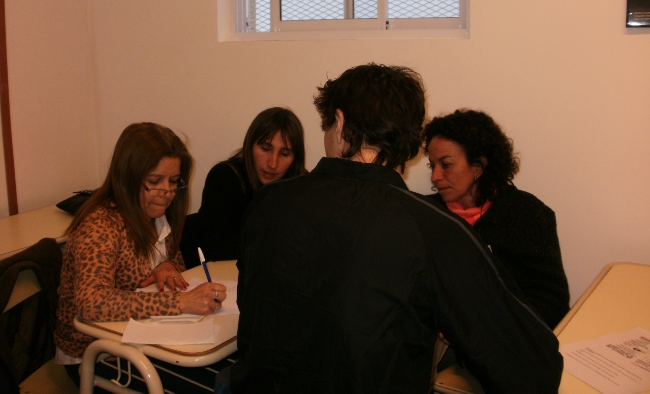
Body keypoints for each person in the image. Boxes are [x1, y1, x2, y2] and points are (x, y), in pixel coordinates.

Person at [230, 63, 563, 393]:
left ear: (340, 124)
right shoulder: (434, 230)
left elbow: (256, 308)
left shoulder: (267, 202)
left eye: (326, 126)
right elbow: (532, 368)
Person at [54, 122, 227, 390]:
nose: (167, 192)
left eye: (173, 181)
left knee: (230, 373)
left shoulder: (157, 217)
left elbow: (176, 270)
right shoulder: (100, 225)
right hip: (97, 357)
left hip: (145, 342)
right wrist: (179, 302)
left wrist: (168, 266)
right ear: (128, 177)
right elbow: (92, 303)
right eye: (154, 182)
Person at [423, 109, 570, 329]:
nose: (435, 176)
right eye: (432, 165)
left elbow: (551, 303)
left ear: (478, 167)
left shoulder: (526, 214)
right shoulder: (425, 213)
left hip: (503, 339)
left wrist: (484, 326)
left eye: (446, 164)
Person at [194, 107, 306, 263]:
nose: (272, 163)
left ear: (295, 159)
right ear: (250, 145)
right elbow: (217, 250)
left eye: (284, 154)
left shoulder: (303, 185)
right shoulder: (224, 177)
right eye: (265, 149)